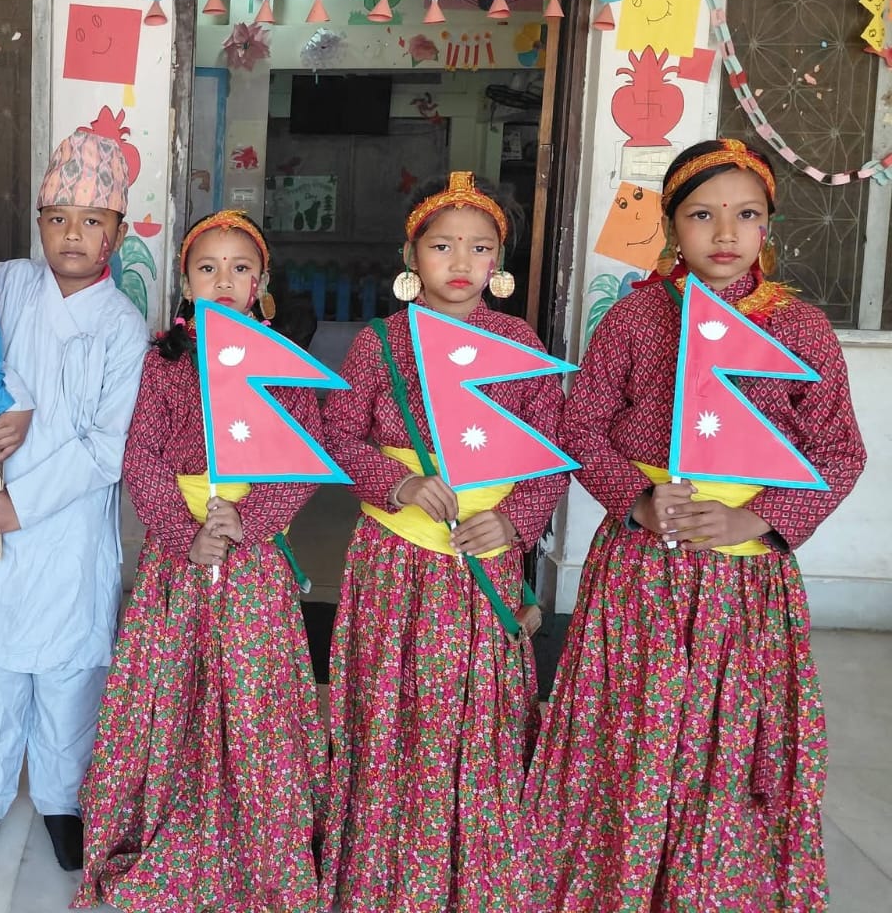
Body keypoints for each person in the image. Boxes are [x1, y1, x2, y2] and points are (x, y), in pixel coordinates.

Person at [527, 140, 865, 912]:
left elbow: (840, 451)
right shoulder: (638, 317)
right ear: (672, 227)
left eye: (746, 216)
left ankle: (715, 884)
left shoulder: (801, 328)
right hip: (645, 570)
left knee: (729, 734)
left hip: (749, 578)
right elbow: (581, 427)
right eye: (702, 215)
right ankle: (621, 872)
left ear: (767, 226)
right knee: (638, 729)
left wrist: (759, 516)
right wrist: (635, 501)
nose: (724, 233)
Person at [319, 172, 567, 912]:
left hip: (481, 557)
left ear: (500, 260)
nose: (461, 262)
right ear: (411, 253)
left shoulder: (520, 343)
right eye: (442, 245)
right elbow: (339, 435)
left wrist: (518, 523)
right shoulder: (379, 345)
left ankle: (474, 862)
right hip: (394, 559)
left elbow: (548, 453)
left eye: (481, 247)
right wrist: (394, 485)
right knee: (391, 705)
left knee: (476, 711)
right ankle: (385, 862)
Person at [75, 210, 325, 912]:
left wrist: (249, 521)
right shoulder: (162, 362)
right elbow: (142, 456)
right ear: (185, 282)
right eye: (206, 268)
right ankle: (168, 821)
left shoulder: (285, 366)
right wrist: (187, 534)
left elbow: (302, 462)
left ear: (262, 283)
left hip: (252, 562)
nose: (223, 281)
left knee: (250, 697)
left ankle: (257, 839)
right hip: (178, 557)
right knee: (173, 687)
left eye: (239, 268)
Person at [0, 130, 149, 876]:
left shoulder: (123, 327)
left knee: (65, 674)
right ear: (40, 224)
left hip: (63, 528)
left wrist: (24, 501)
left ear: (118, 231)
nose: (73, 235)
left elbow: (108, 445)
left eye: (92, 220)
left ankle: (61, 797)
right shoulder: (3, 284)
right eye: (58, 218)